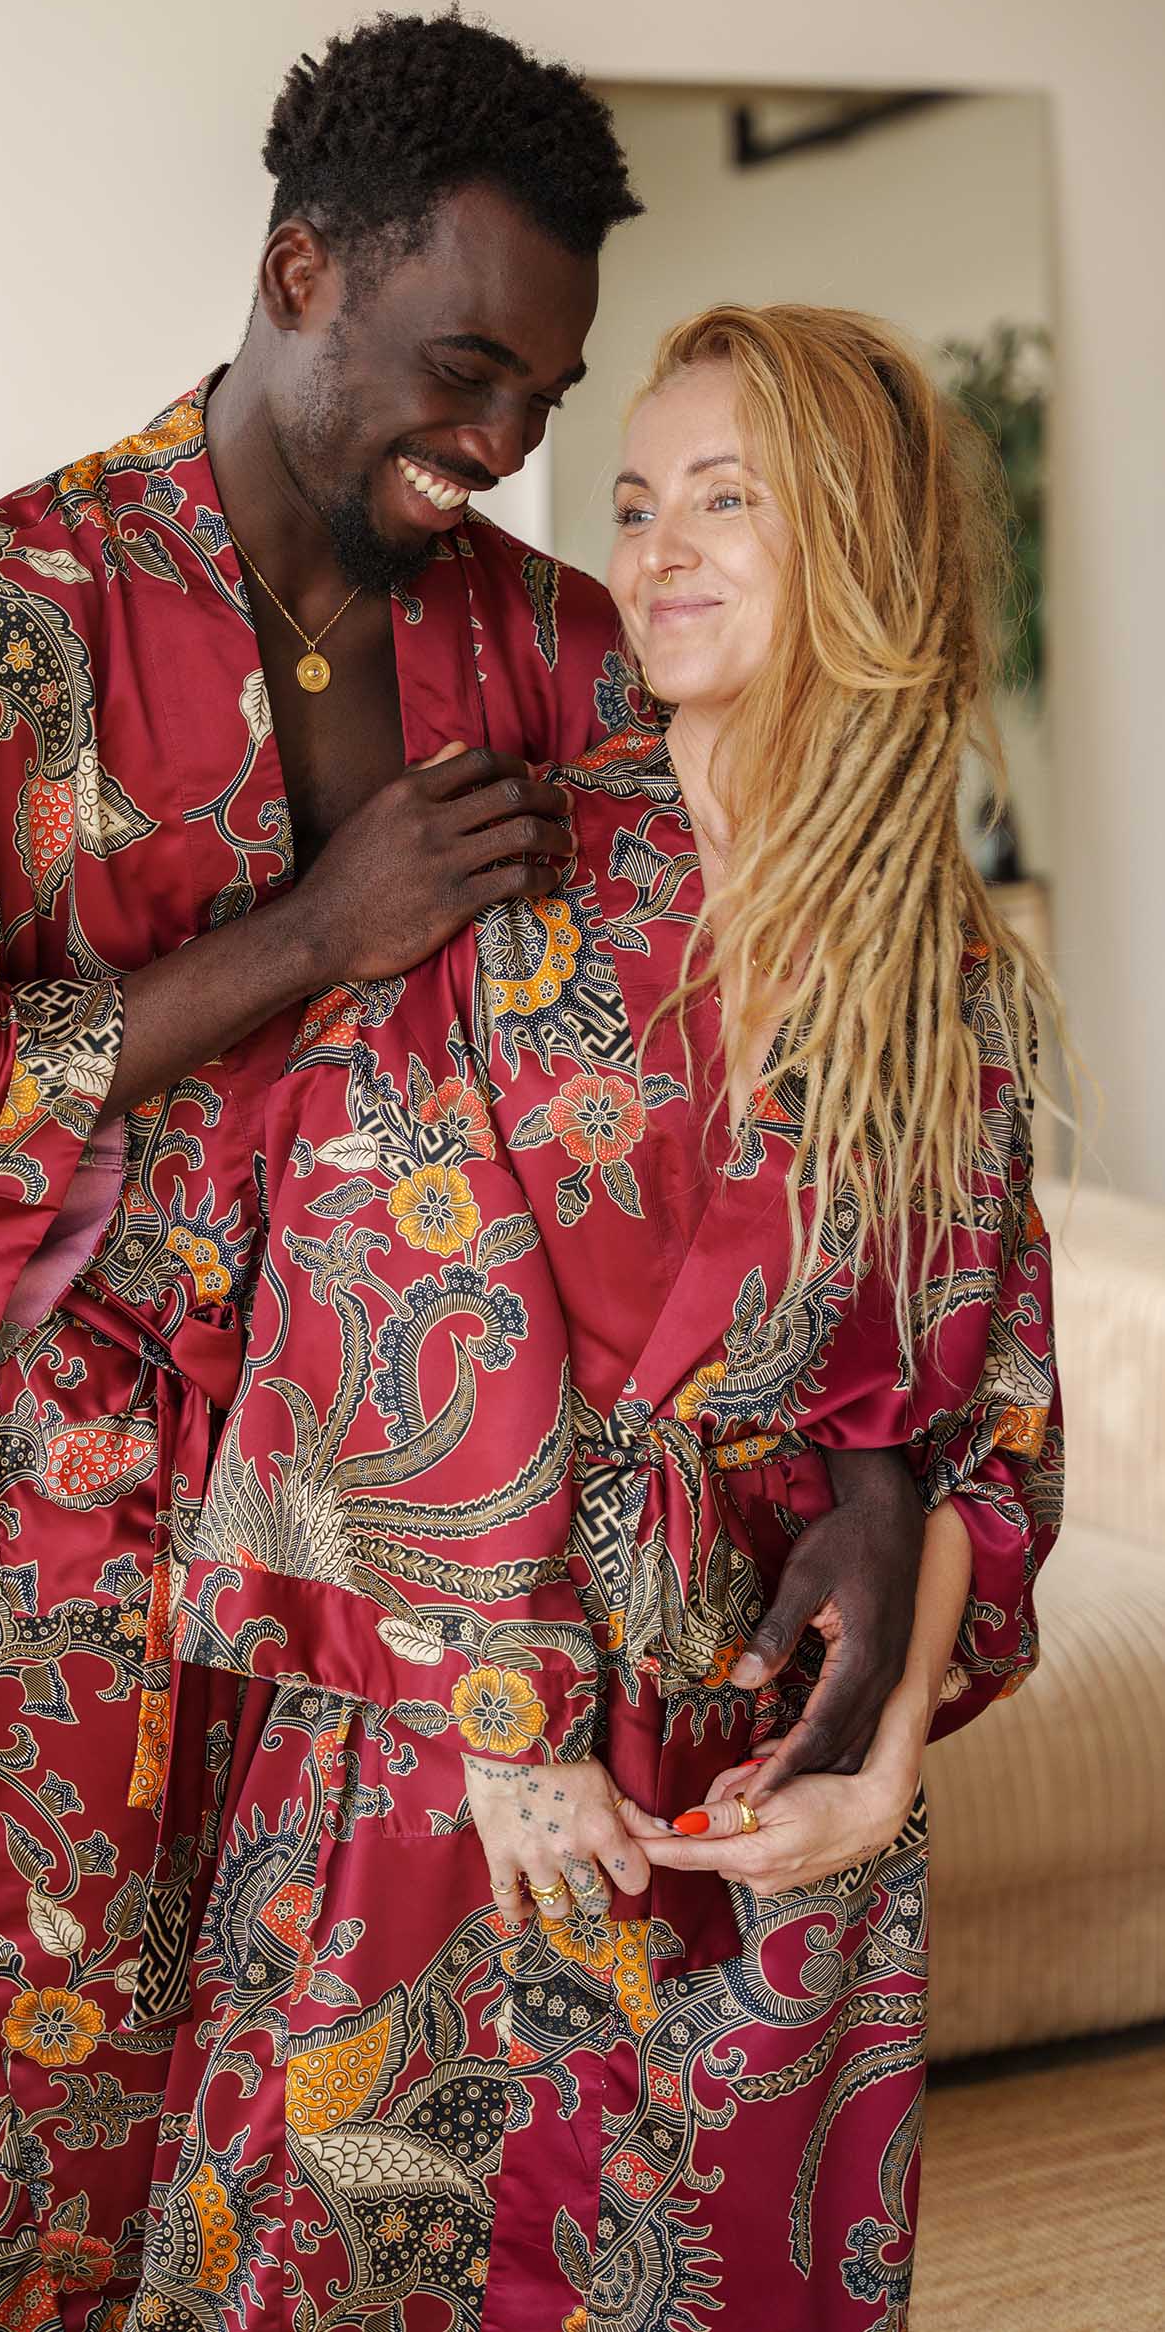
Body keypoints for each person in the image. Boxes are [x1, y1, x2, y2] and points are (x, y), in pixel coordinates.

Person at [0, 5, 925, 2330]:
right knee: (30, 2193)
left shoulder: (560, 648)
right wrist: (305, 939)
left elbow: (752, 1071)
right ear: (304, 272)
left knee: (383, 2216)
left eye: (543, 403)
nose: (498, 445)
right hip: (76, 1547)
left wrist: (880, 1472)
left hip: (426, 1610)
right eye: (463, 368)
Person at [140, 305, 1061, 2331]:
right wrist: (508, 1709)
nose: (652, 549)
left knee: (715, 2266)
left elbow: (983, 1398)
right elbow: (382, 1246)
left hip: (763, 1756)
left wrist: (886, 1749)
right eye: (635, 501)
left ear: (864, 538)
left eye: (726, 499)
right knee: (387, 2234)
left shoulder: (945, 973)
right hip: (468, 1721)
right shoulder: (520, 865)